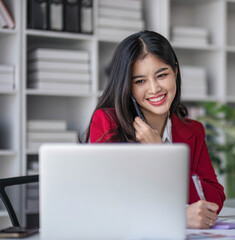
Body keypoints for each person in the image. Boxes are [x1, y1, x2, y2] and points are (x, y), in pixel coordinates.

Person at [84, 30, 225, 229]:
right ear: (127, 86)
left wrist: (165, 155)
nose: (154, 88)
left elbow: (214, 201)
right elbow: (104, 203)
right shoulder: (108, 123)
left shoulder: (193, 130)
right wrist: (176, 216)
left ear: (175, 72)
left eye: (162, 75)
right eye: (140, 81)